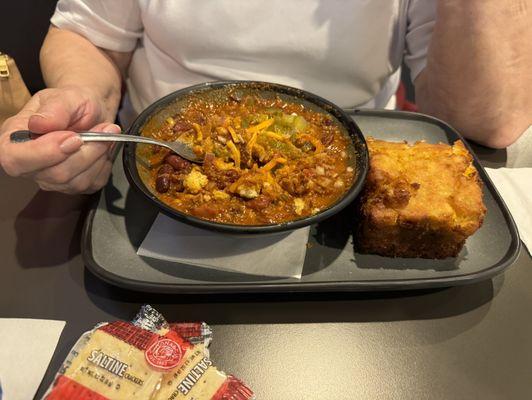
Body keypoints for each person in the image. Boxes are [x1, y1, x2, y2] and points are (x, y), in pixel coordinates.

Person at [0, 1, 530, 194]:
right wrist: (79, 97)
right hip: (148, 172)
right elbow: (89, 35)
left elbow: (490, 120)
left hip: (358, 176)